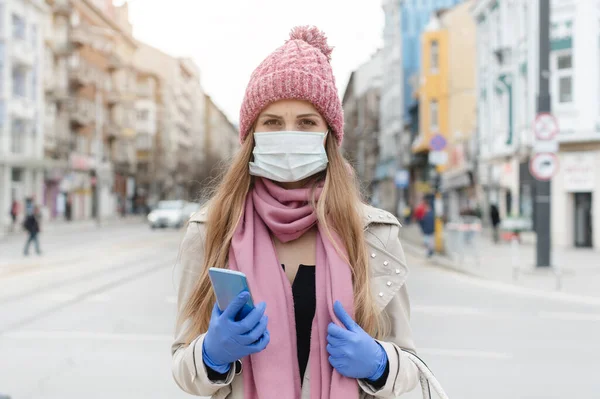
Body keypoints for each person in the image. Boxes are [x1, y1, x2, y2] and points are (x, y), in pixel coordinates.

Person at [172, 26, 419, 399]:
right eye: (272, 122)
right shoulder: (211, 230)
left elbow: (410, 366)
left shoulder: (372, 233)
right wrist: (210, 355)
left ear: (328, 136)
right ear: (252, 134)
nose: (289, 134)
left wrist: (380, 365)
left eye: (306, 122)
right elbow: (182, 365)